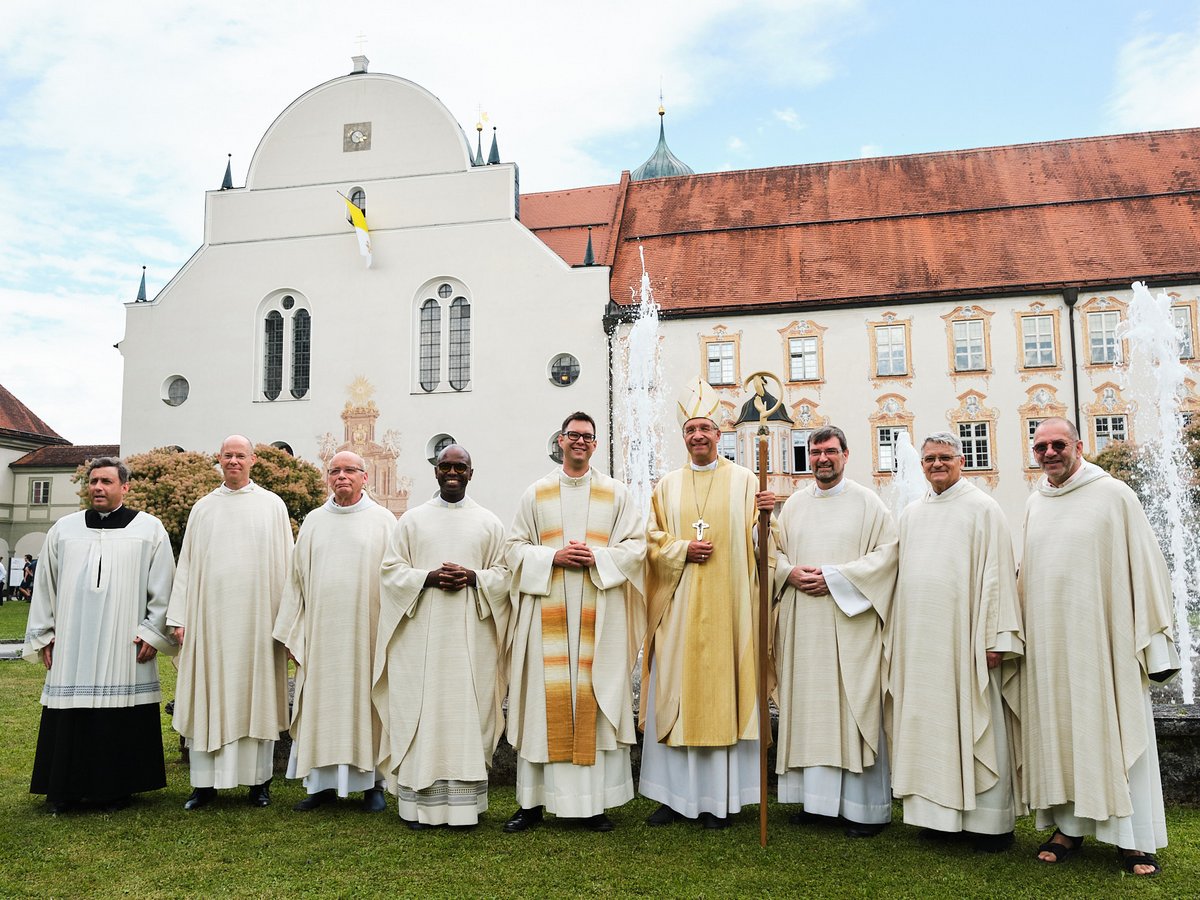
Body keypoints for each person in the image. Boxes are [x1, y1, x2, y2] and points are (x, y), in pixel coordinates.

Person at [1020, 417, 1178, 877]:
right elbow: (1027, 572)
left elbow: (1146, 565)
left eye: (1058, 444)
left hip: (1104, 639)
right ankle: (1068, 828)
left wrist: (1150, 640)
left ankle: (1133, 840)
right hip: (1052, 644)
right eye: (1041, 446)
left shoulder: (1114, 495)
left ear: (1078, 445)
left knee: (1112, 727)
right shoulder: (1035, 503)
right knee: (1064, 733)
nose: (1049, 453)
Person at [640, 379, 775, 828]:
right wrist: (682, 549)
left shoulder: (745, 481)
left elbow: (764, 549)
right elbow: (651, 542)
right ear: (684, 436)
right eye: (691, 429)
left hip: (728, 612)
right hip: (678, 613)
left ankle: (721, 799)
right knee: (675, 693)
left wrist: (767, 517)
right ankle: (672, 797)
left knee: (725, 692)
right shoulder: (666, 486)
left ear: (720, 434)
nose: (698, 435)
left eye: (705, 428)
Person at [503, 412, 646, 833]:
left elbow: (636, 548)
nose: (580, 442)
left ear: (595, 445)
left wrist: (598, 558)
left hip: (598, 619)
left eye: (587, 437)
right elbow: (513, 549)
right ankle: (531, 805)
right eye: (573, 436)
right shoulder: (536, 493)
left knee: (594, 701)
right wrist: (553, 558)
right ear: (561, 441)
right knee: (540, 707)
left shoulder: (616, 494)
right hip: (546, 614)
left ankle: (593, 804)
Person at [888, 433, 1023, 852]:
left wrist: (996, 637)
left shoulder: (983, 508)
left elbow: (998, 574)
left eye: (945, 457)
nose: (936, 465)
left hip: (967, 639)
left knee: (976, 719)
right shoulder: (911, 513)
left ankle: (988, 824)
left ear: (962, 460)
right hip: (923, 642)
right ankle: (936, 817)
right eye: (929, 459)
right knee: (930, 724)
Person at [22, 456, 177, 813]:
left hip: (125, 641)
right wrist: (45, 633)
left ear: (125, 486)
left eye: (106, 481)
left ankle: (116, 788)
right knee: (70, 713)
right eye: (93, 482)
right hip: (73, 639)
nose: (98, 488)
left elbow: (163, 585)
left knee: (118, 712)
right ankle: (65, 789)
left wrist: (153, 633)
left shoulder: (149, 529)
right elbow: (45, 585)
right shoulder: (64, 528)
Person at [375, 444, 511, 828]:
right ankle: (418, 805)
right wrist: (427, 578)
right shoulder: (412, 521)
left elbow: (503, 576)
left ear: (471, 473)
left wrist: (474, 578)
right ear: (435, 471)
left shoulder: (489, 523)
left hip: (473, 639)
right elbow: (390, 571)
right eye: (445, 466)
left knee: (467, 712)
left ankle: (465, 808)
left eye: (460, 467)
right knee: (422, 711)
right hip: (421, 642)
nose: (452, 472)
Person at [772, 426, 898, 838]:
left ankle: (863, 810)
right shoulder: (792, 506)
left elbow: (887, 556)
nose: (822, 459)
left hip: (850, 623)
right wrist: (789, 573)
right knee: (809, 708)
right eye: (814, 453)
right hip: (804, 621)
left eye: (829, 452)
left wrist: (836, 578)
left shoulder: (868, 503)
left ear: (846, 454)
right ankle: (817, 804)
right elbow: (773, 554)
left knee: (852, 706)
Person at [168, 435, 293, 810]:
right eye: (228, 456)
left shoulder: (272, 506)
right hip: (211, 621)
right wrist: (179, 616)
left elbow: (288, 566)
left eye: (241, 455)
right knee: (211, 694)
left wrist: (286, 622)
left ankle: (258, 784)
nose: (234, 461)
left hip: (258, 622)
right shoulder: (204, 508)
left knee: (256, 698)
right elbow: (187, 564)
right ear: (218, 460)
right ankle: (204, 785)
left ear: (253, 460)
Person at [273, 450, 395, 812]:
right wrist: (294, 631)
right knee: (322, 704)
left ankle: (373, 783)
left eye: (350, 471)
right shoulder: (313, 521)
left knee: (366, 702)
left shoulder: (385, 521)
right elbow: (295, 580)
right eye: (334, 471)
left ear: (364, 477)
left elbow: (396, 578)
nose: (341, 476)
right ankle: (320, 785)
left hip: (366, 633)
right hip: (322, 634)